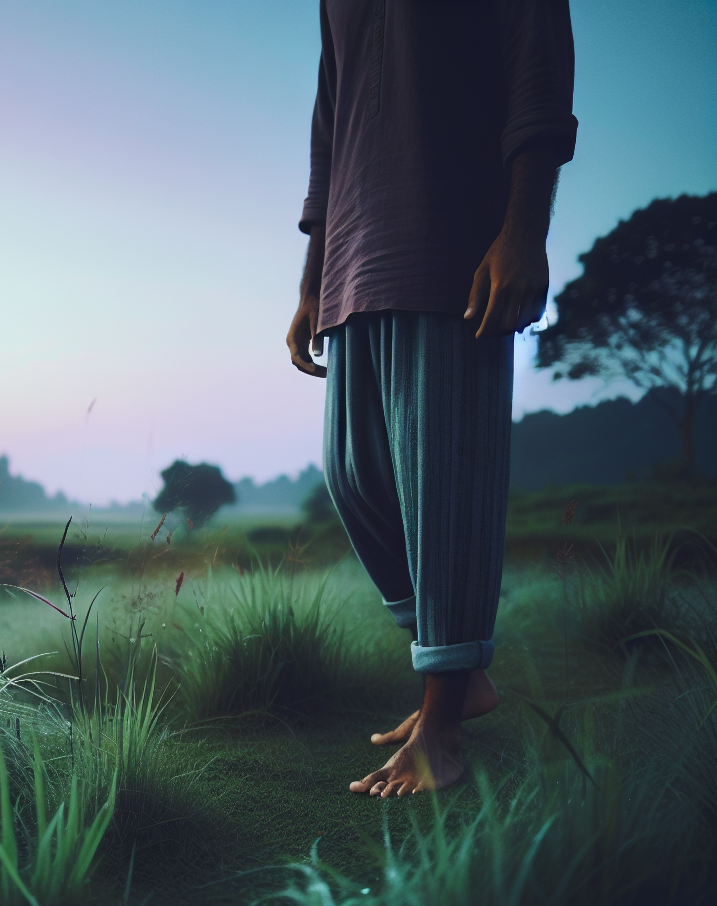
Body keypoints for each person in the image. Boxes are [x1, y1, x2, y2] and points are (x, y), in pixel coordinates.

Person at [286, 1, 577, 797]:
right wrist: (312, 279)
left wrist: (524, 232)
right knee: (350, 474)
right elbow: (330, 120)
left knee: (445, 483)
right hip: (352, 251)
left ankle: (442, 720)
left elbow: (537, 68)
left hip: (453, 237)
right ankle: (462, 674)